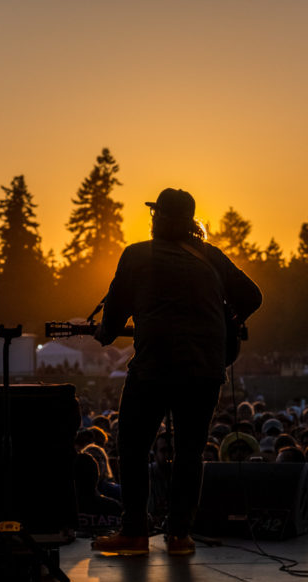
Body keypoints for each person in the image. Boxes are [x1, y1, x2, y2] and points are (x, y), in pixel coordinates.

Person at [91, 187, 262, 556]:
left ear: (161, 219)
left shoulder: (136, 255)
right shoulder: (210, 256)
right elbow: (252, 296)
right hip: (204, 370)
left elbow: (114, 318)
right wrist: (228, 322)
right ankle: (180, 536)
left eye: (155, 215)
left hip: (154, 367)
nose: (152, 221)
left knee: (133, 447)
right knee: (189, 452)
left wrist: (103, 333)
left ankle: (135, 533)